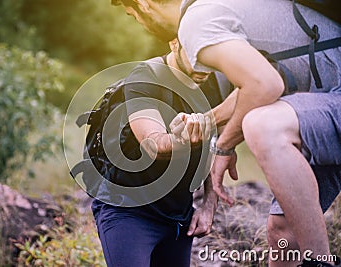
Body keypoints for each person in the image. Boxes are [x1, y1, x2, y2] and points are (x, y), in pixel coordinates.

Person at [110, 0, 341, 266]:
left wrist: (223, 144)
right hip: (318, 107)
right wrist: (211, 132)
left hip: (328, 102)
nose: (140, 24)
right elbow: (260, 85)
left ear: (143, 4)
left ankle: (318, 261)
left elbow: (264, 85)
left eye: (133, 16)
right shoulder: (152, 75)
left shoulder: (197, 19)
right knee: (283, 233)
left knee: (262, 124)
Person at [90, 38, 239, 267]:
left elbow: (215, 144)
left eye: (208, 56)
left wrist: (209, 205)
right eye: (194, 54)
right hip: (129, 211)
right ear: (174, 43)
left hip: (178, 216)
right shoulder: (146, 77)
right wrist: (191, 134)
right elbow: (154, 145)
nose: (203, 66)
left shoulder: (217, 81)